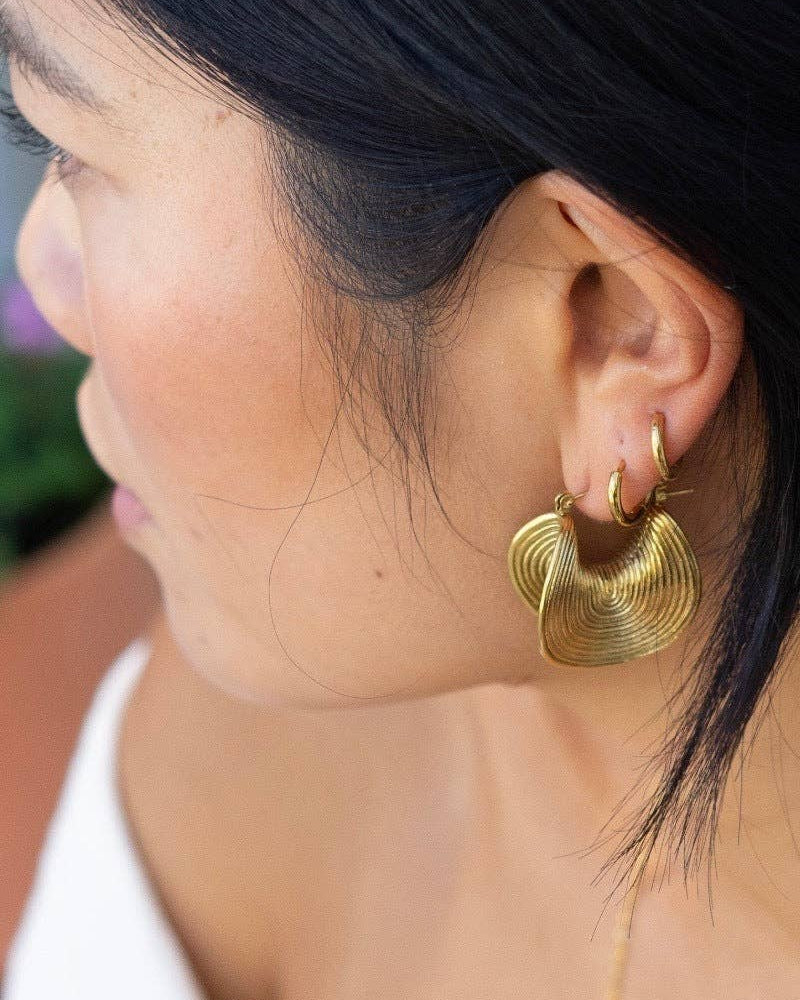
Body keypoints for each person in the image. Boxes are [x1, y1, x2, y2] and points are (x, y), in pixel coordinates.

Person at [2, 0, 799, 996]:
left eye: (68, 145)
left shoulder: (312, 642)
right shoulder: (289, 679)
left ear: (608, 324)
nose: (44, 266)